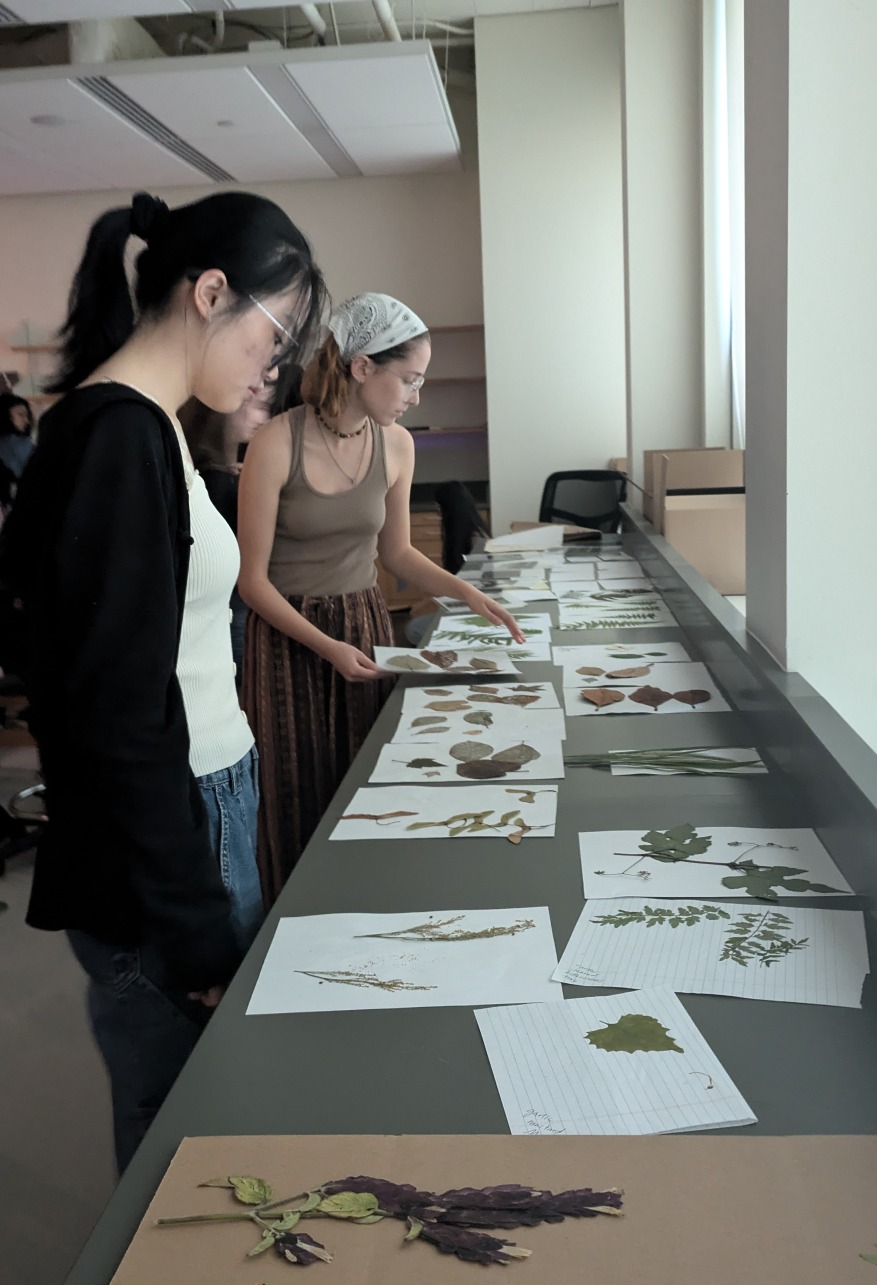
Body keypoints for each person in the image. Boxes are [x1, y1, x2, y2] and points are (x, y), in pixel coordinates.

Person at [0, 189, 324, 1172]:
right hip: (167, 837)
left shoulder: (146, 428)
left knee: (203, 1114)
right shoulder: (115, 437)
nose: (273, 362)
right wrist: (192, 928)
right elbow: (114, 715)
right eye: (275, 333)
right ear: (210, 292)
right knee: (187, 1133)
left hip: (196, 810)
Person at [238, 292, 523, 905]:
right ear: (362, 367)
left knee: (369, 782)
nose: (416, 395)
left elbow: (397, 555)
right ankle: (295, 926)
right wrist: (327, 648)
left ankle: (368, 911)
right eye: (410, 379)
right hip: (293, 637)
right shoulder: (275, 443)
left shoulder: (397, 445)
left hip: (363, 623)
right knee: (297, 792)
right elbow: (252, 582)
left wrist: (469, 593)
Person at [181, 388, 275, 680]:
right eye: (255, 405)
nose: (263, 417)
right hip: (230, 611)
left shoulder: (213, 471)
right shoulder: (218, 481)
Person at [0, 393, 36, 513]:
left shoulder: (22, 443)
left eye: (27, 415)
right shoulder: (17, 444)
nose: (26, 420)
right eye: (20, 415)